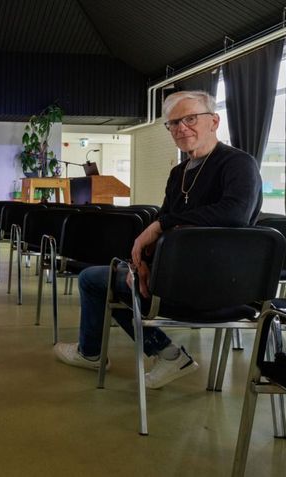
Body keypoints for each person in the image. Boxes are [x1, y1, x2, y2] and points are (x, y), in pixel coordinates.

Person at [53, 90, 261, 389]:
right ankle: (162, 353)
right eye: (173, 123)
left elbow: (235, 215)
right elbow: (166, 221)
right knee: (121, 278)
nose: (181, 128)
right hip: (178, 275)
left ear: (213, 121)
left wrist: (161, 225)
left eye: (190, 118)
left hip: (221, 282)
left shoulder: (238, 163)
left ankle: (107, 353)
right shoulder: (179, 173)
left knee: (95, 280)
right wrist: (143, 263)